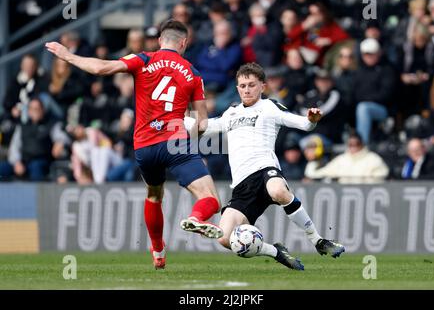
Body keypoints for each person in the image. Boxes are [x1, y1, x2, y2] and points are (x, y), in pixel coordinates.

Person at [45, 20, 224, 270]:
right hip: (175, 142)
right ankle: (196, 218)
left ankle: (158, 251)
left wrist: (67, 56)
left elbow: (102, 68)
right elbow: (202, 124)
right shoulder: (193, 73)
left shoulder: (144, 59)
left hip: (144, 146)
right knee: (210, 198)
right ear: (184, 43)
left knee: (153, 195)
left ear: (161, 40)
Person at [186, 63, 345, 270]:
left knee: (278, 190)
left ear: (262, 86)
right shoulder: (230, 113)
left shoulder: (270, 107)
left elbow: (304, 124)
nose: (246, 89)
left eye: (251, 85)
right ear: (237, 88)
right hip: (242, 186)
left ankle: (318, 241)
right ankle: (275, 251)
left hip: (265, 171)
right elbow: (204, 128)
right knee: (225, 239)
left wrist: (312, 120)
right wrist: (177, 119)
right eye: (242, 85)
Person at [304, 132, 389, 184]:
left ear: (362, 144)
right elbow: (316, 174)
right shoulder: (341, 160)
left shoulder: (374, 159)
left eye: (356, 144)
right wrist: (313, 160)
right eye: (350, 145)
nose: (353, 147)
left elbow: (381, 181)